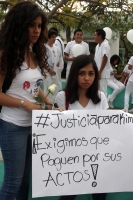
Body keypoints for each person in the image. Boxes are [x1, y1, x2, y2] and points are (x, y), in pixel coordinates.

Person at [0, 1, 53, 199]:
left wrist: (47, 101)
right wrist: (25, 104)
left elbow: (33, 87)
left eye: (39, 26)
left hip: (34, 127)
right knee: (12, 182)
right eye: (32, 25)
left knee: (25, 181)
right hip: (12, 126)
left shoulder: (33, 53)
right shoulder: (6, 55)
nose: (37, 30)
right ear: (20, 25)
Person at [55, 54, 108, 200]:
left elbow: (107, 127)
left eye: (91, 74)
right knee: (67, 196)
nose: (87, 78)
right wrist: (55, 118)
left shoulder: (101, 97)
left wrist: (120, 119)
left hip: (97, 158)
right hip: (71, 160)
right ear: (74, 74)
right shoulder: (62, 97)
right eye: (82, 73)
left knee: (99, 195)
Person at [44, 29, 61, 103]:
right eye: (52, 37)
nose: (54, 39)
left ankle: (53, 105)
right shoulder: (44, 47)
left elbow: (58, 57)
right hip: (47, 71)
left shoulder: (56, 48)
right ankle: (46, 106)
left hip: (54, 71)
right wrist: (49, 70)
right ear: (48, 38)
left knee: (55, 88)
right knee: (47, 89)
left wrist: (57, 63)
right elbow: (41, 61)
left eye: (55, 37)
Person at [94, 29, 110, 97]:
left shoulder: (105, 45)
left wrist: (100, 72)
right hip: (97, 72)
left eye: (95, 35)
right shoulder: (97, 46)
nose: (94, 36)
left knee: (102, 93)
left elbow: (105, 58)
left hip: (102, 73)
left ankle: (104, 107)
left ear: (100, 36)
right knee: (97, 92)